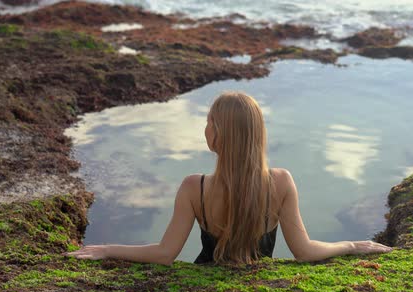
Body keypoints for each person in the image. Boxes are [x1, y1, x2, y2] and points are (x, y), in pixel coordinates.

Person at [65, 92, 392, 265]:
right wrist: (350, 245)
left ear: (218, 135)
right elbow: (304, 251)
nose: (205, 127)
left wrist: (107, 249)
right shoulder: (281, 182)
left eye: (209, 121)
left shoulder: (195, 187)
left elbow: (165, 254)